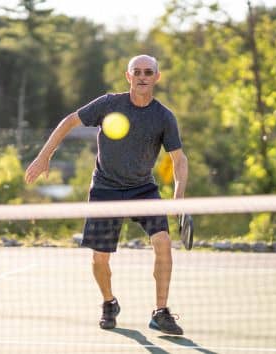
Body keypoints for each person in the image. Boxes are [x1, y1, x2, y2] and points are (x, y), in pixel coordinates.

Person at [25, 54, 188, 335]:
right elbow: (69, 121)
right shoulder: (109, 103)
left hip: (143, 189)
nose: (142, 76)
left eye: (148, 72)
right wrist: (43, 157)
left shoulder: (164, 117)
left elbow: (179, 159)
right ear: (128, 76)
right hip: (105, 188)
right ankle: (109, 302)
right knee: (100, 258)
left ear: (156, 78)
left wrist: (179, 197)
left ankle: (161, 312)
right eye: (136, 72)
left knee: (163, 241)